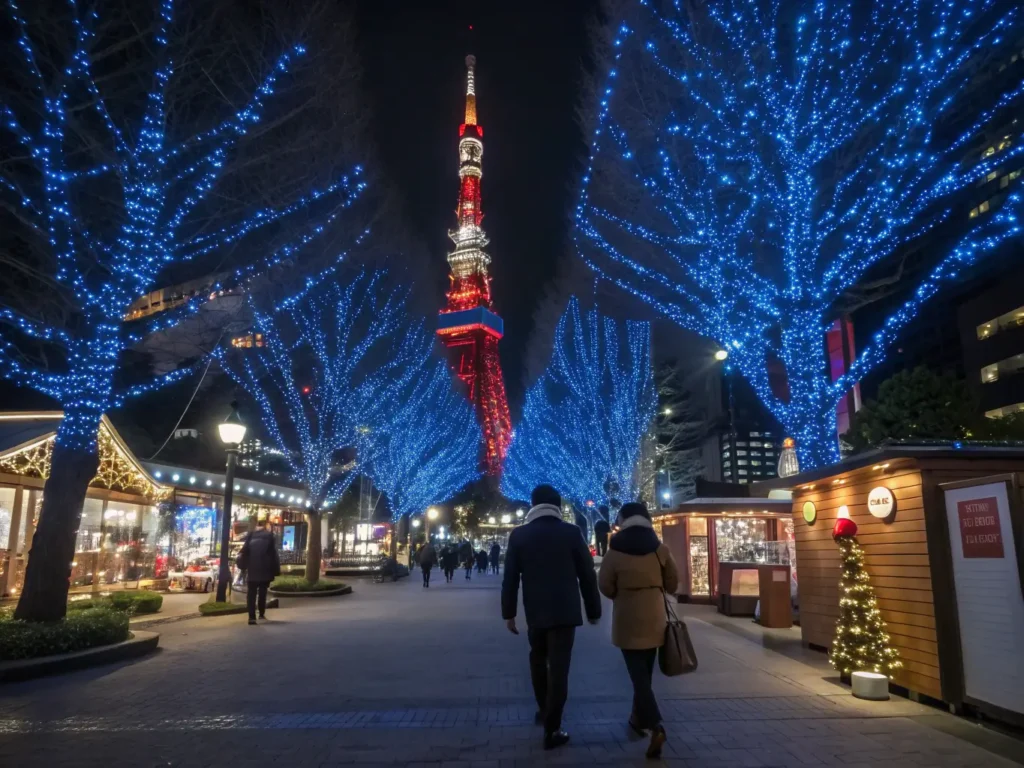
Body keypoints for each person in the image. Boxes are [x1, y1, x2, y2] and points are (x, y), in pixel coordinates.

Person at [502, 485, 601, 751]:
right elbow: (587, 575)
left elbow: (510, 577)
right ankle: (553, 726)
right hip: (566, 612)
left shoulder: (520, 535)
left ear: (533, 505)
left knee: (537, 659)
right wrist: (594, 610)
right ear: (557, 506)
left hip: (536, 611)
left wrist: (509, 614)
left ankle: (545, 709)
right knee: (559, 669)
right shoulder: (571, 533)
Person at [598, 502, 679, 759]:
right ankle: (636, 719)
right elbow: (673, 582)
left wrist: (622, 594)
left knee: (638, 677)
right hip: (655, 617)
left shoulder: (615, 550)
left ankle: (656, 726)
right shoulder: (659, 549)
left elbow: (605, 585)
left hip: (627, 618)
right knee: (644, 674)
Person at [237, 519, 281, 625]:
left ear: (257, 526)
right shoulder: (270, 536)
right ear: (265, 526)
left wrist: (243, 567)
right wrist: (275, 570)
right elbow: (273, 555)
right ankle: (261, 613)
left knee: (251, 594)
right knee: (262, 592)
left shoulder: (250, 536)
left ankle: (251, 617)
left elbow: (243, 552)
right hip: (265, 569)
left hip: (252, 570)